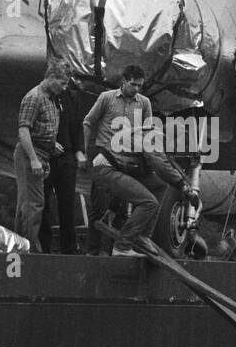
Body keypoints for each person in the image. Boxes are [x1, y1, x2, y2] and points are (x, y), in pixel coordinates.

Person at [82, 65, 195, 257]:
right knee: (115, 205)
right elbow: (159, 161)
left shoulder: (144, 105)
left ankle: (142, 235)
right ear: (123, 81)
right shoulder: (107, 98)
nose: (136, 89)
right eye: (133, 84)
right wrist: (183, 185)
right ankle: (113, 248)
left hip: (128, 162)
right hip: (109, 161)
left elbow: (159, 158)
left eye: (140, 86)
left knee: (158, 186)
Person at [14, 61, 70, 247]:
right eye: (62, 83)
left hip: (44, 153)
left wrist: (52, 144)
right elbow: (24, 130)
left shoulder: (51, 99)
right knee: (34, 204)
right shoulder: (34, 97)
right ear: (51, 78)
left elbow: (41, 127)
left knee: (29, 203)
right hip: (31, 153)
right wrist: (33, 159)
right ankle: (29, 248)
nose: (65, 87)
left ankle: (22, 245)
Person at [37, 84, 85, 254]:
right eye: (61, 82)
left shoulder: (72, 98)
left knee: (67, 204)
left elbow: (79, 125)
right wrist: (47, 144)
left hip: (67, 156)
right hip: (46, 156)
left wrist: (79, 150)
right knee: (43, 203)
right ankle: (43, 247)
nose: (64, 86)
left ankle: (69, 248)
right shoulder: (40, 97)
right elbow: (30, 127)